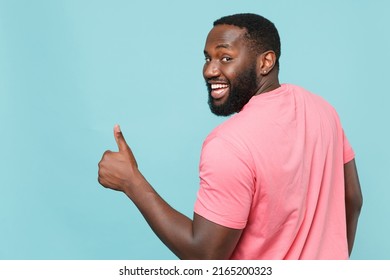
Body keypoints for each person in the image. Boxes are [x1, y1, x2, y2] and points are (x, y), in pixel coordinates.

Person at [98, 13, 363, 259]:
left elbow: (204, 255)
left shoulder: (229, 145)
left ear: (265, 62)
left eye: (225, 58)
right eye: (207, 58)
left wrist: (132, 182)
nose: (210, 70)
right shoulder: (323, 111)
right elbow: (352, 199)